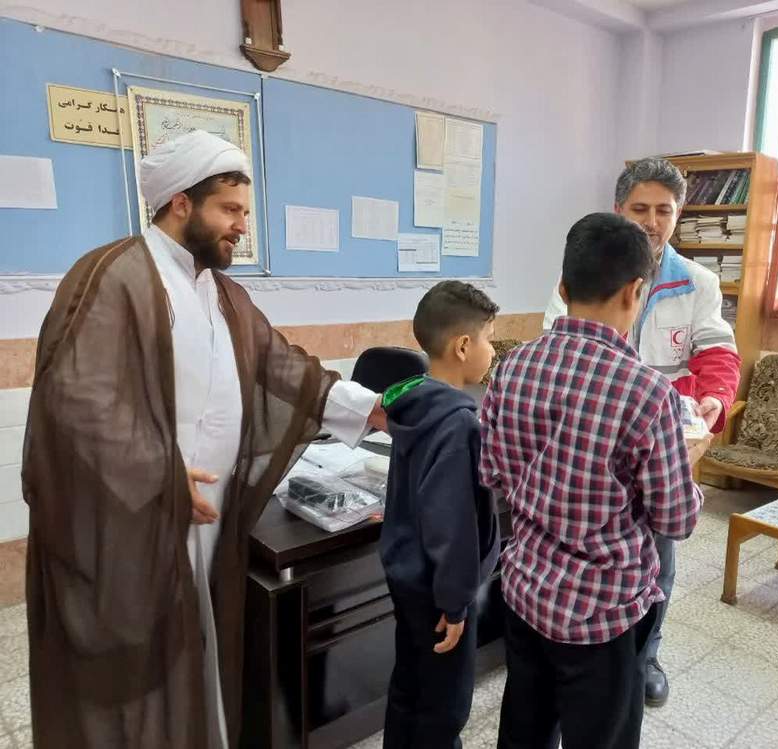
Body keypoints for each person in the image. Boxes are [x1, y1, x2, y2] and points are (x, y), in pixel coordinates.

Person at [22, 130, 386, 749]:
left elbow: (284, 368)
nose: (242, 225)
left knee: (197, 647)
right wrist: (157, 476)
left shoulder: (223, 295)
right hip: (133, 517)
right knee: (136, 667)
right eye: (230, 210)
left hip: (205, 518)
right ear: (180, 203)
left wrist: (371, 409)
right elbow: (77, 404)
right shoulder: (114, 275)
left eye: (245, 211)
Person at [481, 213, 706, 749]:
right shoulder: (649, 394)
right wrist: (687, 463)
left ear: (563, 288)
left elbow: (491, 472)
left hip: (525, 592)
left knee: (524, 729)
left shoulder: (511, 367)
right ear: (635, 292)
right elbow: (676, 519)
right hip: (603, 614)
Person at [541, 157, 741, 707]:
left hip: (661, 439)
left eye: (664, 211)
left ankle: (646, 653)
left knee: (658, 553)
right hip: (591, 441)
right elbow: (555, 347)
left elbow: (718, 353)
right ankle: (570, 639)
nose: (652, 222)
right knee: (585, 543)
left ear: (678, 214)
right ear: (619, 209)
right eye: (640, 209)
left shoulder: (697, 282)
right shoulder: (583, 275)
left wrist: (714, 400)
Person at [377, 281, 502, 749]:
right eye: (489, 339)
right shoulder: (458, 424)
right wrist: (455, 602)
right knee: (445, 705)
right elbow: (451, 524)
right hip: (439, 592)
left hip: (406, 576)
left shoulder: (412, 403)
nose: (492, 350)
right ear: (463, 346)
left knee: (409, 685)